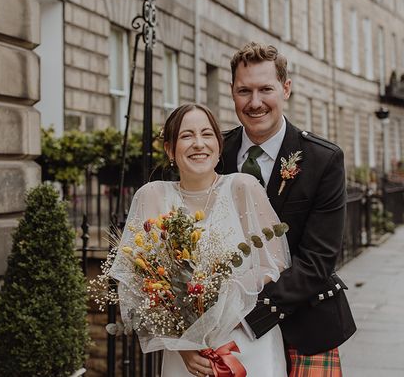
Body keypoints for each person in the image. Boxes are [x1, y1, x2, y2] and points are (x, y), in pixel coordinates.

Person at [109, 103, 291, 377]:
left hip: (246, 344)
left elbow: (275, 263)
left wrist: (223, 294)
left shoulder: (243, 187)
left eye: (207, 135)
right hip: (184, 357)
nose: (198, 144)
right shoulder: (152, 196)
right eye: (186, 136)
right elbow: (138, 284)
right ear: (170, 149)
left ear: (218, 146)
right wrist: (182, 345)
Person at [215, 42, 356, 377]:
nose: (255, 102)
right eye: (244, 91)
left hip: (305, 326)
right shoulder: (215, 153)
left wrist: (248, 316)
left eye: (266, 89)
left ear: (286, 89)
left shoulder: (323, 159)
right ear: (232, 93)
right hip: (223, 329)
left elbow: (317, 260)